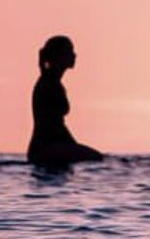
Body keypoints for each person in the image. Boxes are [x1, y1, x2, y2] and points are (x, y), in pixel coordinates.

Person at [26, 35, 103, 168]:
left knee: (96, 159)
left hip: (50, 145)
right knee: (96, 159)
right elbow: (51, 126)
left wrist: (72, 145)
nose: (75, 55)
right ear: (60, 55)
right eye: (70, 51)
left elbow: (58, 125)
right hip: (46, 146)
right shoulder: (49, 82)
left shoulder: (51, 81)